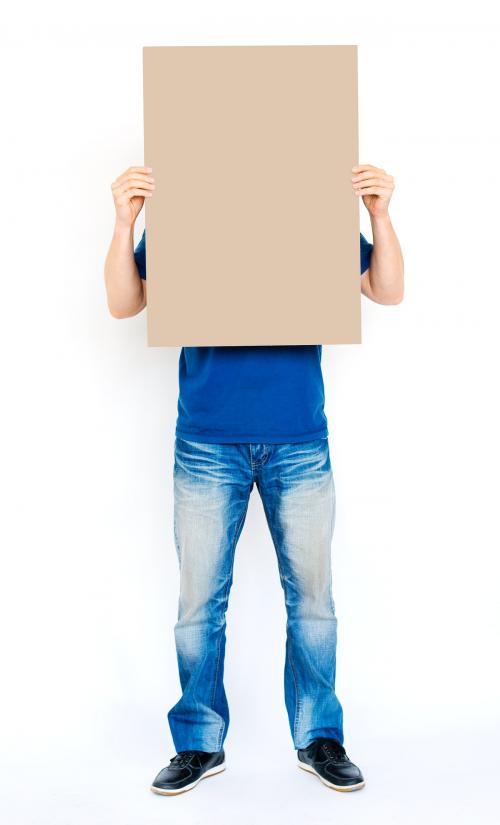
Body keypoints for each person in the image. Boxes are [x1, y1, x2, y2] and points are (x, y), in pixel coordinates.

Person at [104, 162, 404, 796]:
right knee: (198, 608)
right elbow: (124, 302)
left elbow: (386, 289)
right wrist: (125, 221)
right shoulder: (187, 220)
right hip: (207, 441)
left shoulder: (310, 217)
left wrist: (378, 212)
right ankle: (197, 742)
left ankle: (320, 736)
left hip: (299, 437)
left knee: (314, 603)